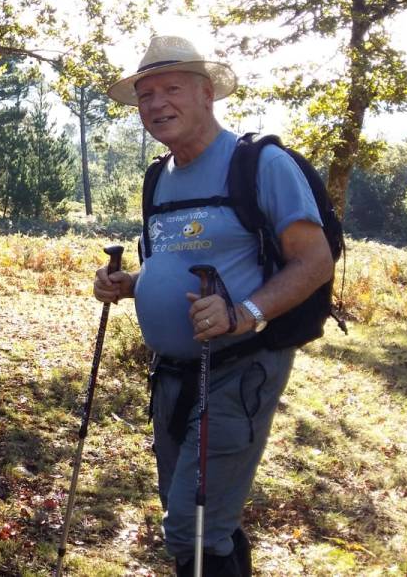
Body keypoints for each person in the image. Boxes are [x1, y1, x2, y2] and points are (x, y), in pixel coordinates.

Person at [93, 35, 333, 576]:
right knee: (198, 514)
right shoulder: (158, 177)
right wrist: (130, 284)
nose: (156, 104)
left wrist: (242, 313)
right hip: (171, 375)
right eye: (146, 95)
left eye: (171, 89)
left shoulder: (259, 164)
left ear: (206, 93)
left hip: (239, 367)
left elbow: (315, 261)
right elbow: (172, 261)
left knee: (191, 526)